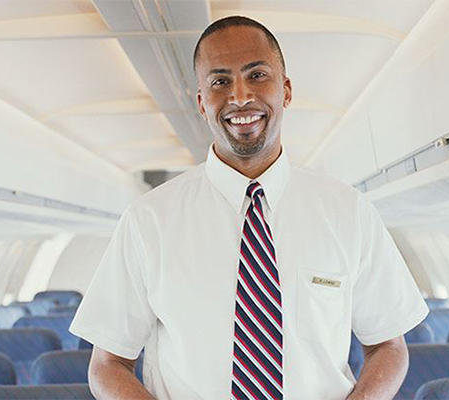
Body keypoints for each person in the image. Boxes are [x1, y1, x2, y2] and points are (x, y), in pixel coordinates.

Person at [70, 16, 428, 400]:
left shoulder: (349, 212)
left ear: (286, 90)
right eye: (220, 81)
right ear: (201, 104)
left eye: (257, 75)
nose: (240, 96)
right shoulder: (147, 221)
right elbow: (107, 364)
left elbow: (388, 346)